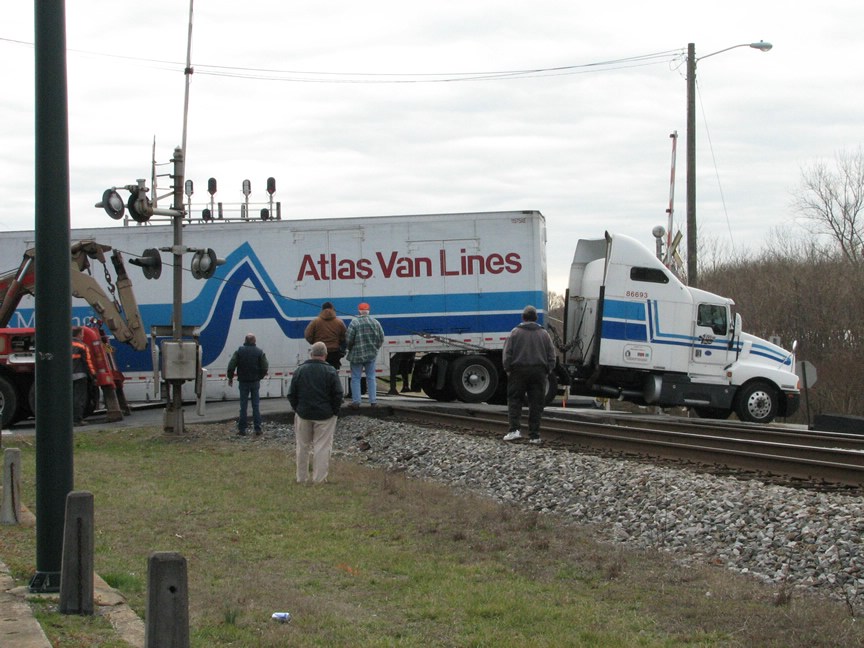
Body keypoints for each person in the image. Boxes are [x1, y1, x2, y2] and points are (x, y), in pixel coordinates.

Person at [288, 341, 344, 483]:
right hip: (325, 414)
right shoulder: (330, 371)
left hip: (303, 413)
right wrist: (334, 411)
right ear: (325, 355)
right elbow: (338, 394)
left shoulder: (300, 370)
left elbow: (291, 393)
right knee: (322, 446)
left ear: (311, 354)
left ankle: (301, 478)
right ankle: (319, 479)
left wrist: (297, 408)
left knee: (302, 446)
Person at [502, 305, 556, 444]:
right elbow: (552, 355)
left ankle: (514, 430)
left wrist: (508, 369)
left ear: (523, 317)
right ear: (536, 318)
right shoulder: (544, 334)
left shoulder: (515, 333)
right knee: (536, 403)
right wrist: (547, 370)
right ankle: (534, 435)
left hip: (518, 371)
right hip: (538, 372)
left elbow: (507, 354)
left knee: (515, 400)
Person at [227, 333, 269, 436]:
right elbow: (265, 366)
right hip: (255, 381)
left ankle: (242, 430)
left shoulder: (239, 351)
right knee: (256, 406)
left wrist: (230, 377)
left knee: (243, 406)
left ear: (245, 341)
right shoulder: (259, 352)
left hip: (243, 382)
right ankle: (258, 429)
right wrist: (260, 376)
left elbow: (231, 365)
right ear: (254, 341)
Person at [345, 302, 385, 408]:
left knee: (356, 378)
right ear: (369, 311)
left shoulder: (354, 323)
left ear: (359, 311)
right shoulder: (375, 322)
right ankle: (373, 401)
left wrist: (350, 348)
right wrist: (375, 348)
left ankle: (356, 401)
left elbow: (348, 339)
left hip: (356, 355)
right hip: (371, 354)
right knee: (371, 377)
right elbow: (381, 338)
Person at [304, 301, 347, 372]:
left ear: (322, 310)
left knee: (319, 373)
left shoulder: (316, 321)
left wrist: (315, 343)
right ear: (332, 309)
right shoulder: (339, 322)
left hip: (319, 352)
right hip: (334, 353)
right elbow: (344, 337)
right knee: (333, 373)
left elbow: (308, 335)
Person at [72, 327, 96, 426]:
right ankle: (77, 420)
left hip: (65, 376)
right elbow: (88, 363)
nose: (83, 336)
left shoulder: (62, 344)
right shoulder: (82, 346)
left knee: (69, 398)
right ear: (78, 335)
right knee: (79, 398)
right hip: (80, 376)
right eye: (82, 334)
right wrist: (93, 375)